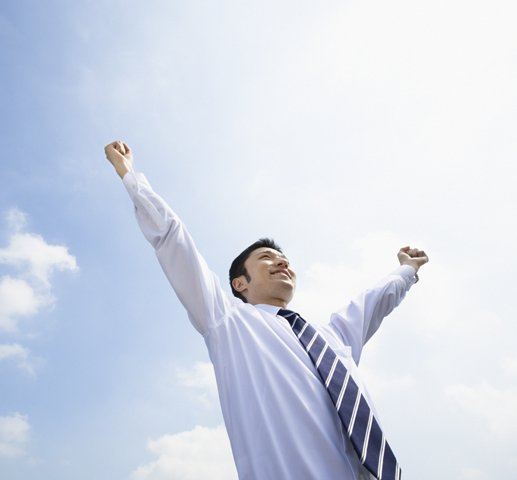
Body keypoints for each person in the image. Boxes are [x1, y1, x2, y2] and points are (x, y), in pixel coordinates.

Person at [104, 140, 428, 480]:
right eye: (266, 258)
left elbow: (372, 303)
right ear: (239, 283)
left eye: (284, 258)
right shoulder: (228, 323)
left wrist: (407, 270)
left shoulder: (331, 339)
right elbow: (173, 238)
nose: (282, 262)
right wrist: (129, 174)